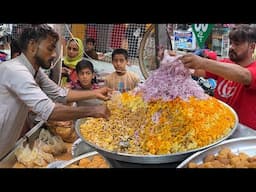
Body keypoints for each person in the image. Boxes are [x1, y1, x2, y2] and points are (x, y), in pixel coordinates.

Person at [0, 24, 112, 160]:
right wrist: (93, 110)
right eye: (50, 48)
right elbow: (49, 111)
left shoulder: (34, 71)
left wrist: (95, 93)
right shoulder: (16, 71)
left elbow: (60, 94)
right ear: (32, 46)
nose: (54, 54)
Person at [180, 24, 256, 130]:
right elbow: (196, 71)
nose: (231, 47)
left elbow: (244, 76)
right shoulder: (225, 64)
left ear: (252, 47)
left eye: (237, 44)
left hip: (243, 133)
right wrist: (174, 61)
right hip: (220, 126)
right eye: (231, 43)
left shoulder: (253, 69)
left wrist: (202, 62)